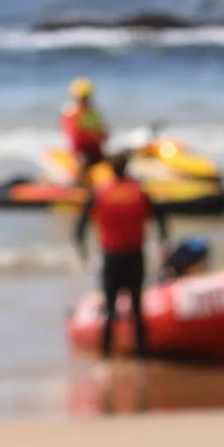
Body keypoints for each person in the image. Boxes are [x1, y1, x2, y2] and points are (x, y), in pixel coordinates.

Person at [73, 148, 171, 360]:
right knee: (137, 309)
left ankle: (106, 358)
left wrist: (82, 250)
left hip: (112, 258)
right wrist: (164, 245)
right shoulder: (139, 191)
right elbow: (161, 218)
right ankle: (142, 357)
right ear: (127, 168)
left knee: (110, 310)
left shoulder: (100, 193)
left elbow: (80, 226)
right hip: (135, 256)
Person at [61, 77, 109, 174]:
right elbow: (75, 138)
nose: (85, 100)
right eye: (83, 98)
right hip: (81, 152)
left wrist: (99, 136)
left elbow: (103, 131)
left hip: (95, 150)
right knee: (80, 164)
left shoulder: (92, 111)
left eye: (86, 97)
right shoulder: (72, 112)